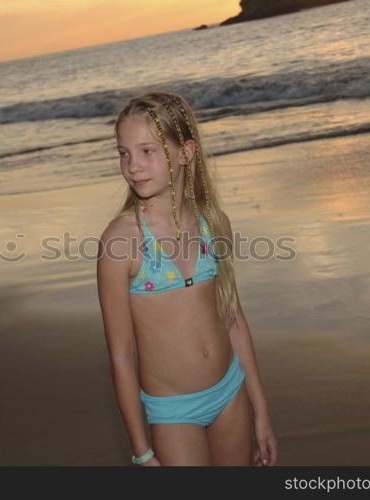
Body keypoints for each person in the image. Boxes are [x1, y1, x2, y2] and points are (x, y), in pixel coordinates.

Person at [96, 91, 277, 466]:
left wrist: (260, 411)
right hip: (174, 411)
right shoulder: (121, 242)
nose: (132, 165)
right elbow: (122, 354)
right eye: (123, 153)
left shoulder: (214, 223)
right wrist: (141, 451)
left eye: (147, 151)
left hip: (230, 392)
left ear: (185, 153)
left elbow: (233, 319)